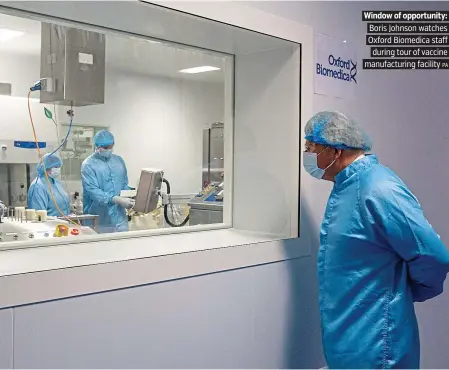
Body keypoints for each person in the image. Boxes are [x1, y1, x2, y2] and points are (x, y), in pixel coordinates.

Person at [303, 111, 449, 369]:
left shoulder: (378, 188)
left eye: (311, 147)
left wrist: (407, 291)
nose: (307, 154)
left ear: (336, 151)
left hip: (377, 342)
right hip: (348, 336)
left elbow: (432, 255)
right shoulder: (347, 186)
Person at [81, 130, 134, 233]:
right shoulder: (88, 165)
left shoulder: (119, 161)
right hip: (99, 222)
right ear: (97, 147)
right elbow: (92, 191)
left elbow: (124, 184)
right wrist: (114, 199)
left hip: (120, 221)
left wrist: (130, 196)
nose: (109, 150)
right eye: (105, 148)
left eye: (111, 146)